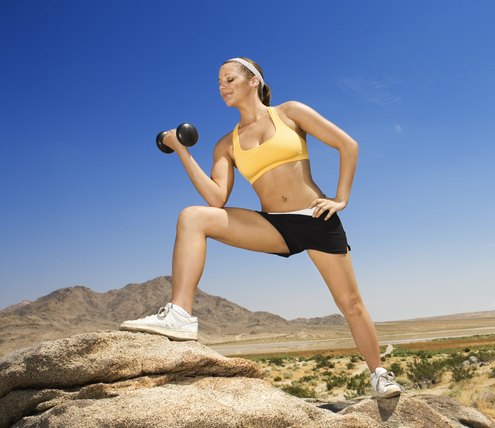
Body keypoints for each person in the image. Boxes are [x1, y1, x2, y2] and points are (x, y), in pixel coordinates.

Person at [120, 57, 402, 398]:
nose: (222, 86)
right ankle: (180, 314)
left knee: (351, 304)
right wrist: (182, 151)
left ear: (253, 81)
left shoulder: (289, 113)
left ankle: (380, 375)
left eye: (229, 78)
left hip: (316, 218)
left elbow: (348, 145)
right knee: (193, 217)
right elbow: (216, 199)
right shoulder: (227, 144)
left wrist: (341, 199)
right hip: (274, 225)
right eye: (219, 82)